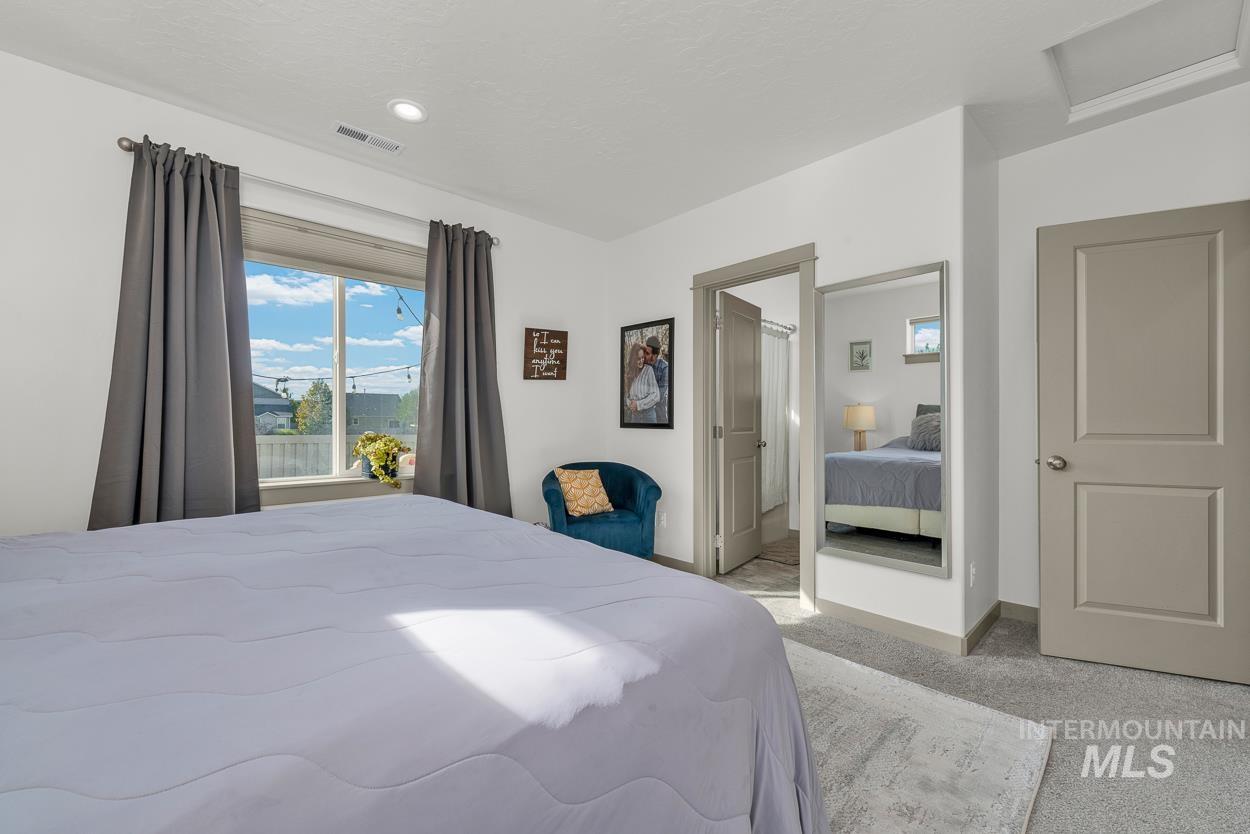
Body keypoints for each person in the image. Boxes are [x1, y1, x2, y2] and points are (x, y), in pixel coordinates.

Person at [624, 342, 659, 423]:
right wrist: (631, 404)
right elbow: (627, 396)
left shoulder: (648, 370)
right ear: (633, 359)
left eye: (642, 358)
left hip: (648, 416)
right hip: (635, 417)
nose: (641, 361)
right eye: (638, 359)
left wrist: (638, 405)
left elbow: (656, 395)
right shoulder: (629, 374)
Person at [643, 335, 670, 424]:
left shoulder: (665, 368)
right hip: (644, 415)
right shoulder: (643, 366)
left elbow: (660, 396)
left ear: (654, 355)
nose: (644, 355)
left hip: (660, 415)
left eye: (647, 353)